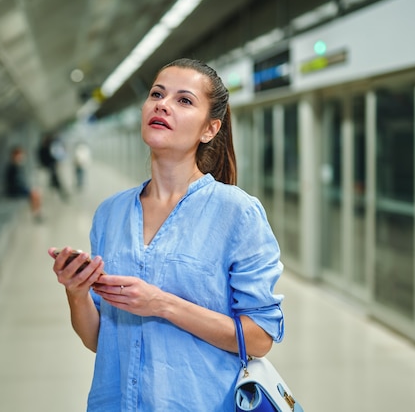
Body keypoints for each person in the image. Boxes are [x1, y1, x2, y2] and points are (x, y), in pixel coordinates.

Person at [48, 58, 285, 411]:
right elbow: (99, 339)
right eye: (157, 94)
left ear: (210, 129)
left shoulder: (236, 213)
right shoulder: (110, 214)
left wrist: (162, 304)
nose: (162, 104)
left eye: (184, 100)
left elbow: (259, 338)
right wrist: (77, 292)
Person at [4, 146, 42, 221]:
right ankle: (36, 214)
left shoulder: (17, 166)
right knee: (35, 194)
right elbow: (14, 182)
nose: (22, 157)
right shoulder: (12, 167)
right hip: (14, 190)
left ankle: (37, 213)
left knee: (36, 193)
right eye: (20, 155)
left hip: (18, 188)